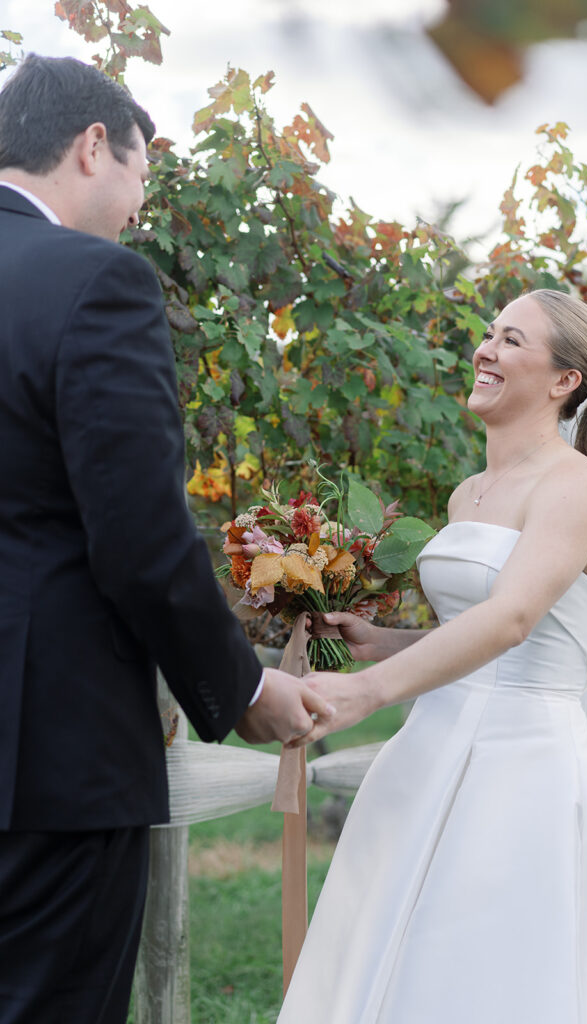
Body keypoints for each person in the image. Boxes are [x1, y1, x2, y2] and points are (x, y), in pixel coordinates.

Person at [277, 289, 587, 1022]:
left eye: (512, 340)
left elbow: (515, 619)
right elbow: (480, 628)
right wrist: (388, 641)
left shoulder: (578, 488)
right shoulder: (470, 494)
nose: (485, 350)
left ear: (564, 382)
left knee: (489, 974)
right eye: (490, 334)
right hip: (429, 755)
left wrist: (368, 691)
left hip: (525, 770)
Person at [0, 55, 333, 1024]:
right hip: (41, 759)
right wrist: (244, 685)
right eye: (143, 174)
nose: (140, 205)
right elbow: (140, 538)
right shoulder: (93, 282)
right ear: (95, 145)